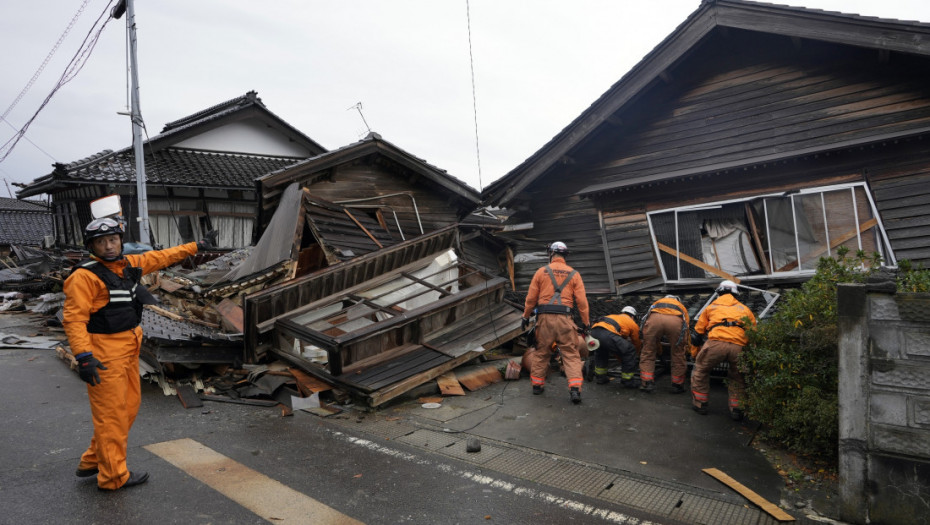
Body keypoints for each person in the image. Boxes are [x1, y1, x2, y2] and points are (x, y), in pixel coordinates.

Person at [64, 218, 216, 491]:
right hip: (103, 353)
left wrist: (197, 246)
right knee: (112, 416)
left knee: (128, 410)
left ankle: (93, 460)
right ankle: (112, 477)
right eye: (101, 242)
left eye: (112, 240)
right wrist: (84, 356)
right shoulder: (83, 277)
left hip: (129, 348)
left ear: (120, 240)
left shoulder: (127, 265)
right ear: (92, 246)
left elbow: (162, 256)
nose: (108, 246)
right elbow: (74, 320)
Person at [521, 241, 590, 404]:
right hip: (566, 320)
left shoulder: (541, 272)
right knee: (571, 355)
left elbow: (531, 298)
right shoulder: (574, 274)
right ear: (565, 255)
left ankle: (537, 386)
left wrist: (525, 316)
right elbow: (582, 302)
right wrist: (586, 323)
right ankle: (575, 390)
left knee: (541, 352)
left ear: (551, 253)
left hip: (544, 319)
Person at [691, 280, 757, 420]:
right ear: (735, 294)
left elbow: (697, 334)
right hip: (739, 347)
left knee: (701, 370)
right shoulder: (745, 309)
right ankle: (737, 409)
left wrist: (695, 352)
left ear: (719, 292)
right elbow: (753, 335)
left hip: (715, 344)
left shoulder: (711, 307)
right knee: (738, 377)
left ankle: (700, 404)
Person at [639, 294, 691, 394]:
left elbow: (646, 318)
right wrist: (687, 347)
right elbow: (686, 327)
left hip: (654, 320)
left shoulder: (657, 303)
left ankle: (647, 382)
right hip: (675, 321)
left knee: (648, 351)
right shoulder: (680, 305)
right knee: (677, 353)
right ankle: (677, 385)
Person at [589, 306, 641, 388]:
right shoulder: (631, 322)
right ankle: (628, 381)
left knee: (601, 352)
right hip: (607, 333)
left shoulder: (614, 316)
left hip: (594, 332)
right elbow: (636, 342)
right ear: (632, 316)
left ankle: (600, 378)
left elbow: (616, 347)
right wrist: (636, 355)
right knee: (630, 350)